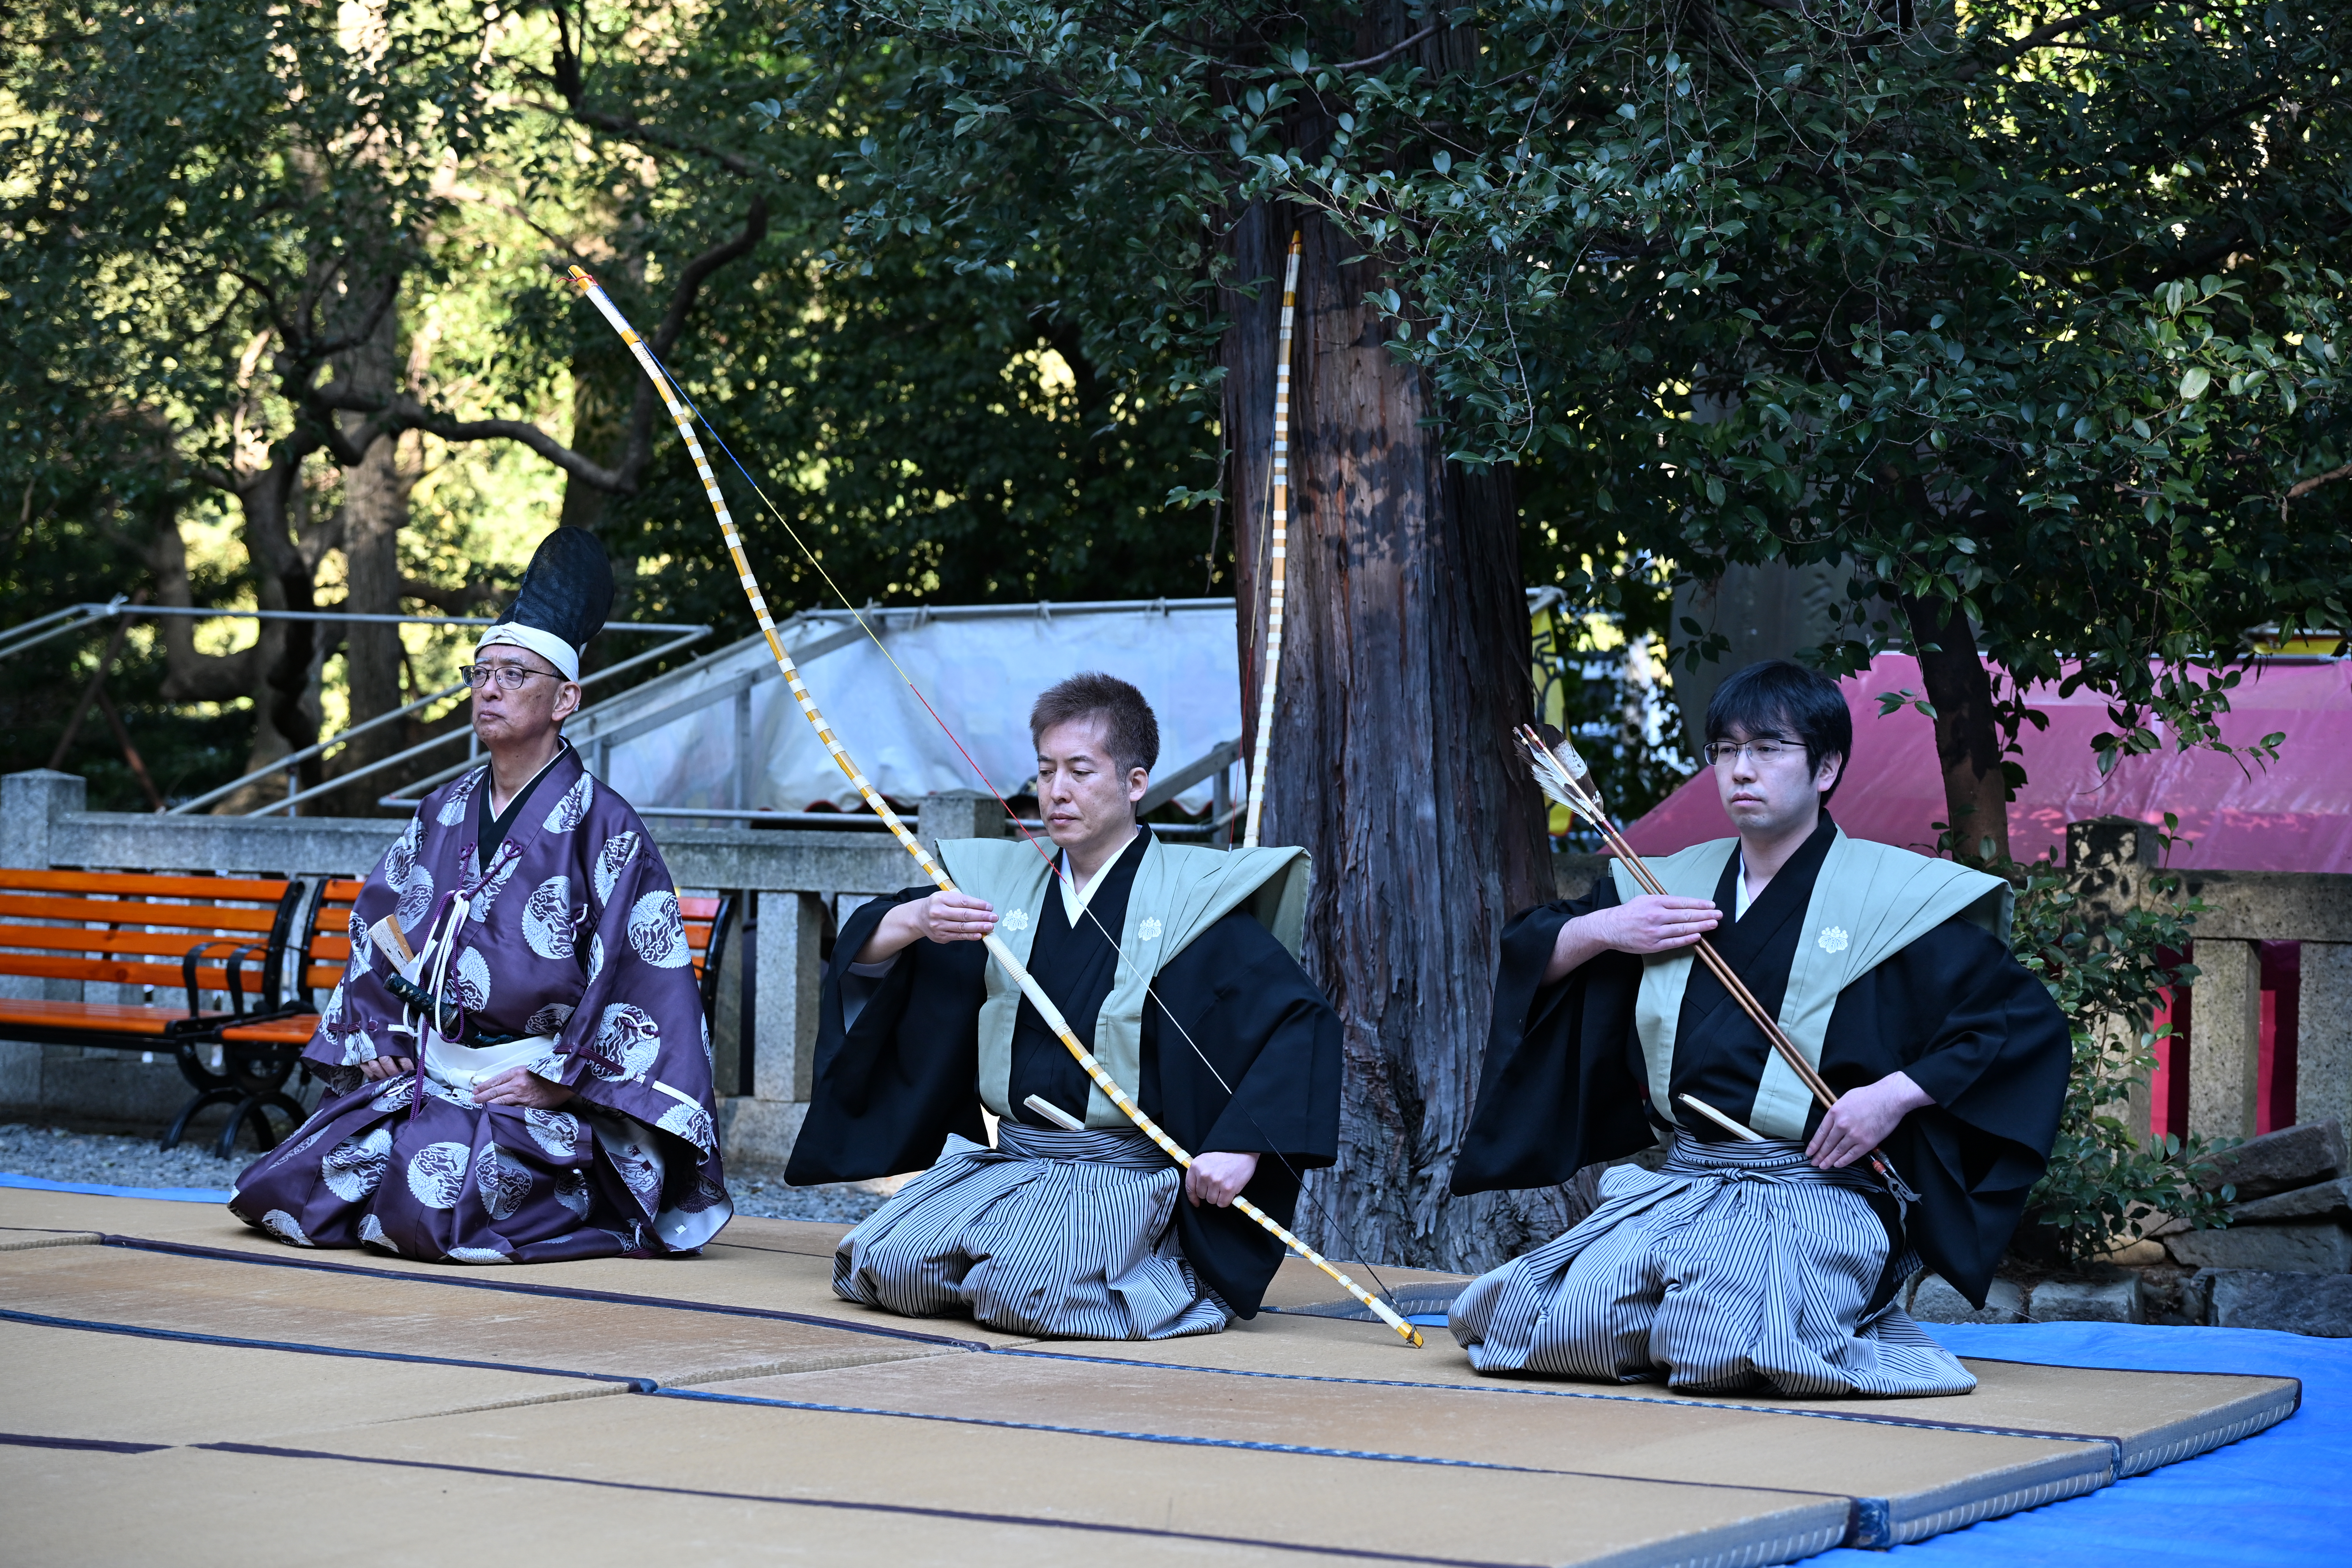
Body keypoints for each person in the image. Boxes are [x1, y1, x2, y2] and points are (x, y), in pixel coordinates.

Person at [1446, 659, 2070, 1396]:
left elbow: (2020, 1023)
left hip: (1816, 1188)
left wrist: (1893, 1097)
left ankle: (1800, 1315)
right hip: (1687, 1183)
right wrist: (1609, 929)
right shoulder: (1667, 883)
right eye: (1726, 750)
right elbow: (1533, 952)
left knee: (1723, 1342)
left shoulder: (1891, 897)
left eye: (1770, 749)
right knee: (1526, 1322)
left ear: (1826, 766)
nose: (1742, 770)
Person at [785, 673, 1342, 1338]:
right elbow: (872, 948)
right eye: (1046, 771)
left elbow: (1298, 1021)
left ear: (1136, 783)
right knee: (881, 1266)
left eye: (1081, 771)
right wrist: (917, 919)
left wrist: (1244, 1148)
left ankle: (1165, 1267)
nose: (1057, 791)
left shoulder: (1190, 899)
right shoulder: (1006, 881)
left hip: (1118, 1176)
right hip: (1013, 1160)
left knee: (1025, 1292)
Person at [229, 527, 730, 1263]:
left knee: (427, 1210)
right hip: (434, 1064)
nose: (489, 689)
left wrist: (560, 1081)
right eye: (480, 673)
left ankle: (572, 1187)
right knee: (287, 1189)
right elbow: (385, 926)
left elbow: (641, 978)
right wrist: (378, 1031)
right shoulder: (443, 810)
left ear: (566, 699)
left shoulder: (608, 827)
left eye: (514, 676)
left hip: (533, 1081)